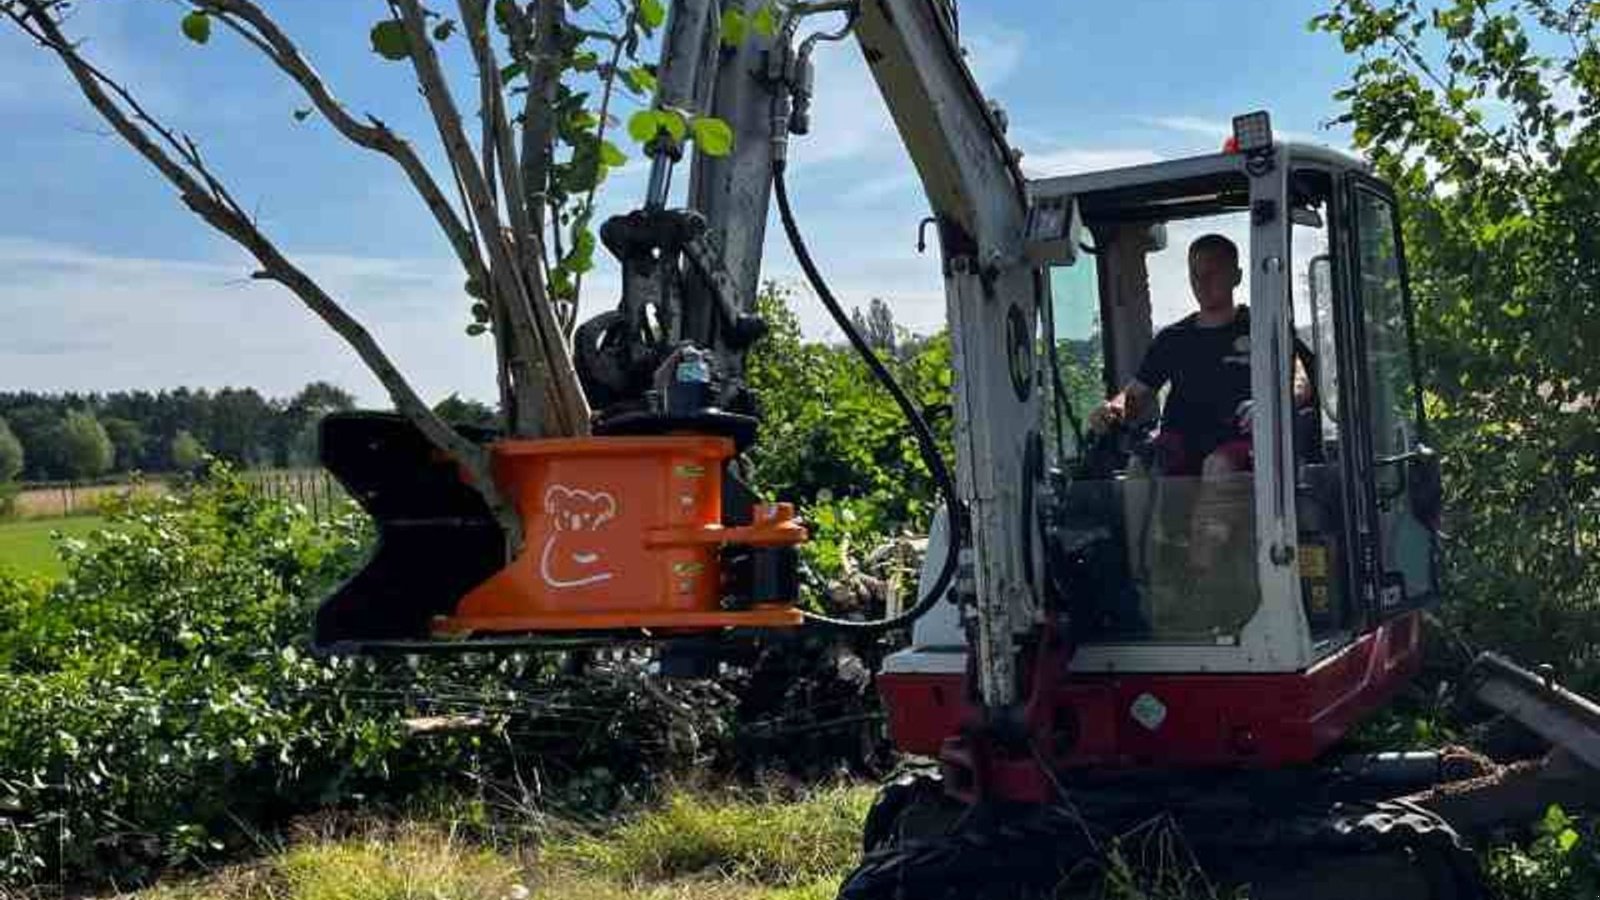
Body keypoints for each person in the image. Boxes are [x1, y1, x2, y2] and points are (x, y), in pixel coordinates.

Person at [1089, 233, 1311, 478]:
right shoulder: (1172, 338)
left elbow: (1299, 383)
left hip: (1245, 442)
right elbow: (1136, 395)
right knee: (1139, 466)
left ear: (1236, 276)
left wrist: (1269, 406)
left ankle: (1208, 519)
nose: (1202, 282)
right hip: (1181, 445)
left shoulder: (1264, 329)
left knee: (1219, 466)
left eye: (1212, 272)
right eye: (1195, 274)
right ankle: (1149, 519)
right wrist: (1113, 408)